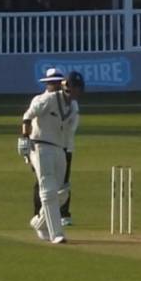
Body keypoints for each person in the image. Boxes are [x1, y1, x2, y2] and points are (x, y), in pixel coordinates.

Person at [18, 68, 82, 243]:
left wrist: (68, 152)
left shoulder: (74, 107)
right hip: (39, 145)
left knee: (62, 192)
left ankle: (39, 223)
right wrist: (24, 138)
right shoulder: (46, 99)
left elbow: (69, 133)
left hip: (60, 148)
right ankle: (57, 234)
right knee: (48, 190)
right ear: (68, 87)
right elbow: (27, 116)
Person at [58, 72, 85, 227]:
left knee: (64, 182)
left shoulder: (74, 105)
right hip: (50, 145)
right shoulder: (54, 100)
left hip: (66, 147)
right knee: (45, 182)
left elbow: (71, 128)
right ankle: (40, 213)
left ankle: (64, 213)